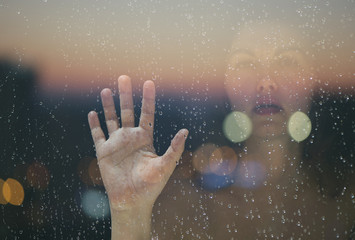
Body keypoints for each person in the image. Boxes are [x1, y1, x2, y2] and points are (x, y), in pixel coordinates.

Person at [88, 22, 355, 239]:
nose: (266, 81)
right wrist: (128, 216)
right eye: (246, 64)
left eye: (286, 61)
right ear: (226, 83)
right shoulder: (188, 209)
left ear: (314, 79)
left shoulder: (347, 204)